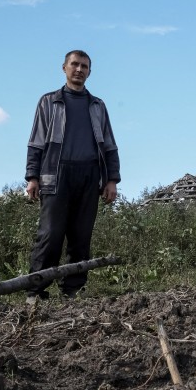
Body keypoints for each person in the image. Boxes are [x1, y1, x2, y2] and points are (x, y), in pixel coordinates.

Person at [24, 49, 120, 303]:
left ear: (89, 72)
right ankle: (36, 290)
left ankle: (73, 290)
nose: (79, 70)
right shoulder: (49, 102)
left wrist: (111, 180)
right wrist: (32, 177)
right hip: (56, 173)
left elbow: (109, 145)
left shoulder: (97, 105)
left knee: (81, 234)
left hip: (90, 175)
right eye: (74, 65)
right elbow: (36, 142)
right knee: (50, 233)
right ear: (64, 68)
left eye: (84, 66)